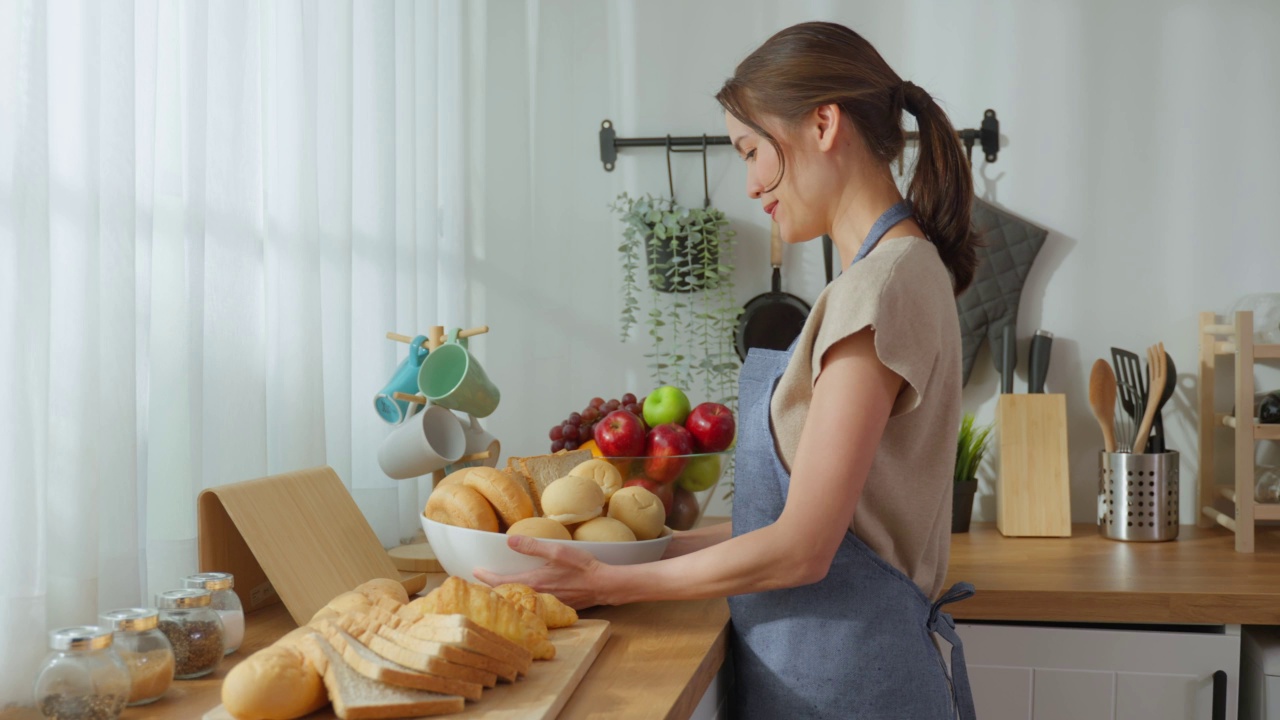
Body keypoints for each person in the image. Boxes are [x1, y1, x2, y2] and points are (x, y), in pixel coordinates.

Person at [476, 21, 977, 719]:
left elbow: (804, 549)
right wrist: (643, 550)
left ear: (823, 124)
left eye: (751, 151)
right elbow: (790, 521)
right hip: (828, 674)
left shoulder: (881, 288)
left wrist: (612, 584)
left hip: (849, 686)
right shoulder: (892, 273)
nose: (749, 186)